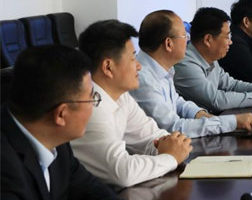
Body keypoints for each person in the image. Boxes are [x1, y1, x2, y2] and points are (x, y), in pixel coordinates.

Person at [1, 45, 172, 200]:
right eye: (91, 98)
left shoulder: (52, 138)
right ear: (61, 114)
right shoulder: (5, 160)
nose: (94, 106)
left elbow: (85, 190)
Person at [71, 20, 192, 188]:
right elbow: (122, 173)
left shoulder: (122, 97)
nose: (139, 66)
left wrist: (171, 146)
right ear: (108, 67)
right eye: (133, 58)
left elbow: (151, 138)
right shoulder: (90, 107)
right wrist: (170, 158)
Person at [130, 10, 252, 138]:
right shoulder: (142, 78)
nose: (188, 42)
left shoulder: (163, 69)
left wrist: (201, 115)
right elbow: (172, 127)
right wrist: (231, 122)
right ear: (168, 44)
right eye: (185, 36)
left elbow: (177, 102)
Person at [174, 7, 252, 113]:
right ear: (208, 40)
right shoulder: (186, 65)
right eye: (227, 37)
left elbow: (230, 84)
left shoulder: (210, 57)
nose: (230, 42)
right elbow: (216, 100)